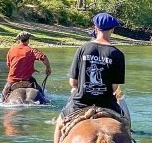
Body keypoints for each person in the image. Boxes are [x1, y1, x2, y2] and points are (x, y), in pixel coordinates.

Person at [53, 13, 125, 143]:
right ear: (112, 30)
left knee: (59, 124)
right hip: (107, 103)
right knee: (125, 124)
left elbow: (73, 82)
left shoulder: (83, 48)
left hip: (81, 102)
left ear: (96, 28)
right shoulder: (117, 54)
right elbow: (114, 87)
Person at [0, 31, 51, 102]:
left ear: (19, 40)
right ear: (28, 40)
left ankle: (1, 100)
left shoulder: (11, 50)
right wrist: (48, 68)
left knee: (3, 97)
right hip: (28, 79)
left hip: (12, 80)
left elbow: (9, 65)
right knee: (41, 93)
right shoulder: (31, 50)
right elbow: (44, 57)